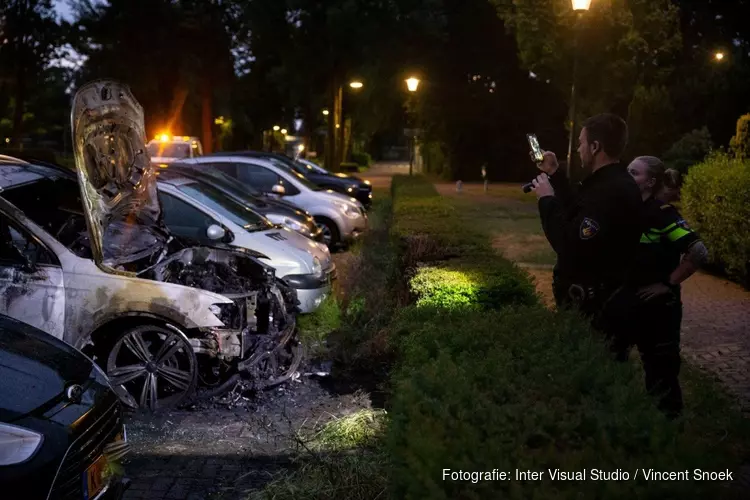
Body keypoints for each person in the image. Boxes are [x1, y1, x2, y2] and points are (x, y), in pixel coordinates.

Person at [605, 156, 708, 417]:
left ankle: (668, 434)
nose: (628, 177)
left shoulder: (662, 215)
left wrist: (668, 283)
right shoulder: (626, 211)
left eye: (634, 173)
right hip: (626, 300)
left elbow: (698, 251)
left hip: (659, 310)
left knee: (661, 377)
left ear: (650, 182)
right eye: (627, 171)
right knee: (608, 361)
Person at [531, 113, 643, 319]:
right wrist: (554, 173)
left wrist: (547, 200)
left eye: (581, 143)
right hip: (600, 300)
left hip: (595, 309)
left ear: (595, 147)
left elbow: (569, 244)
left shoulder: (610, 191)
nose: (578, 149)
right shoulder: (609, 183)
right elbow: (577, 210)